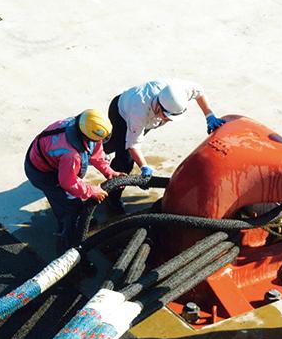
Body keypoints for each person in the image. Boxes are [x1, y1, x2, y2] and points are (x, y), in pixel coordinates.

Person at [104, 79, 225, 210]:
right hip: (121, 114)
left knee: (117, 144)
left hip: (147, 119)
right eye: (167, 117)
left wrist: (209, 116)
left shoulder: (178, 91)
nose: (169, 120)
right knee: (125, 160)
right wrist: (144, 167)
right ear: (158, 107)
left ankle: (101, 148)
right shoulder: (138, 112)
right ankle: (112, 197)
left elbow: (199, 92)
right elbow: (133, 145)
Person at [25, 109, 121, 252]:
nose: (101, 142)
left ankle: (75, 224)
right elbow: (68, 183)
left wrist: (109, 172)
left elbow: (96, 153)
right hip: (42, 173)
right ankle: (67, 241)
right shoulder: (71, 154)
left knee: (69, 202)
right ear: (87, 136)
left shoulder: (84, 125)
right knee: (70, 206)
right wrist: (91, 191)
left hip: (47, 158)